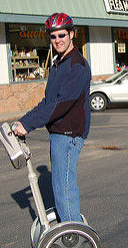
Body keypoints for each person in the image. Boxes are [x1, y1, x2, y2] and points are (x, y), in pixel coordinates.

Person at [12, 12, 91, 223]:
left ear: (72, 34)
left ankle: (74, 238)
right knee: (59, 188)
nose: (58, 40)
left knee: (64, 191)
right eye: (53, 36)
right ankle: (70, 227)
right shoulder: (59, 64)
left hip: (69, 134)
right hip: (58, 133)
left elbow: (61, 105)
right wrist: (23, 121)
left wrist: (28, 126)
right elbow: (47, 102)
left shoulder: (77, 66)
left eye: (62, 35)